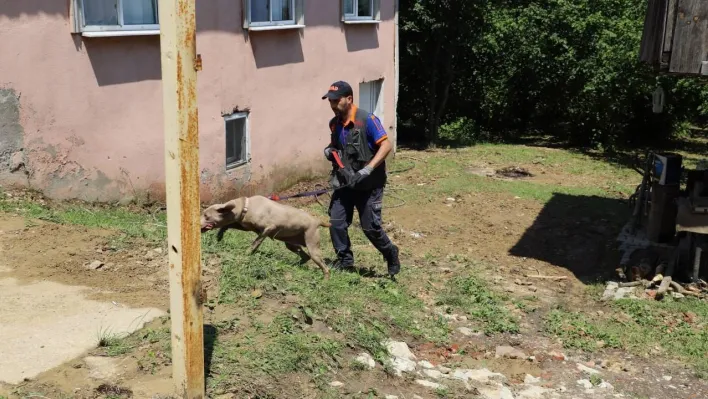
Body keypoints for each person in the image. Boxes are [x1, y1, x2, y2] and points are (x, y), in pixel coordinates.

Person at [321, 81, 401, 278]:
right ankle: (345, 261)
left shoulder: (368, 120)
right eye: (330, 100)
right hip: (345, 182)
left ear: (349, 99)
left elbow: (385, 146)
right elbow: (336, 145)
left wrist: (368, 169)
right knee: (336, 222)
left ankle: (390, 252)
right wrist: (329, 150)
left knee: (370, 227)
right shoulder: (335, 124)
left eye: (336, 100)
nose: (332, 104)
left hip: (368, 185)